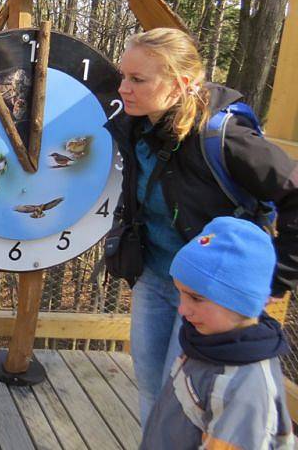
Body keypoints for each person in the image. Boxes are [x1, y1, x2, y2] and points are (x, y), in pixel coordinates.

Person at [104, 27, 298, 426]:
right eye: (123, 75)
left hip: (211, 293)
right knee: (149, 383)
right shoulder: (137, 126)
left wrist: (275, 278)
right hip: (155, 276)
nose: (123, 88)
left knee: (188, 395)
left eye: (138, 79)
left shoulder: (223, 139)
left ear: (180, 84)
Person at [141, 216, 294, 449]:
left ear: (240, 302)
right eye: (180, 293)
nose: (182, 309)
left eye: (195, 298)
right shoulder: (208, 341)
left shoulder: (245, 390)